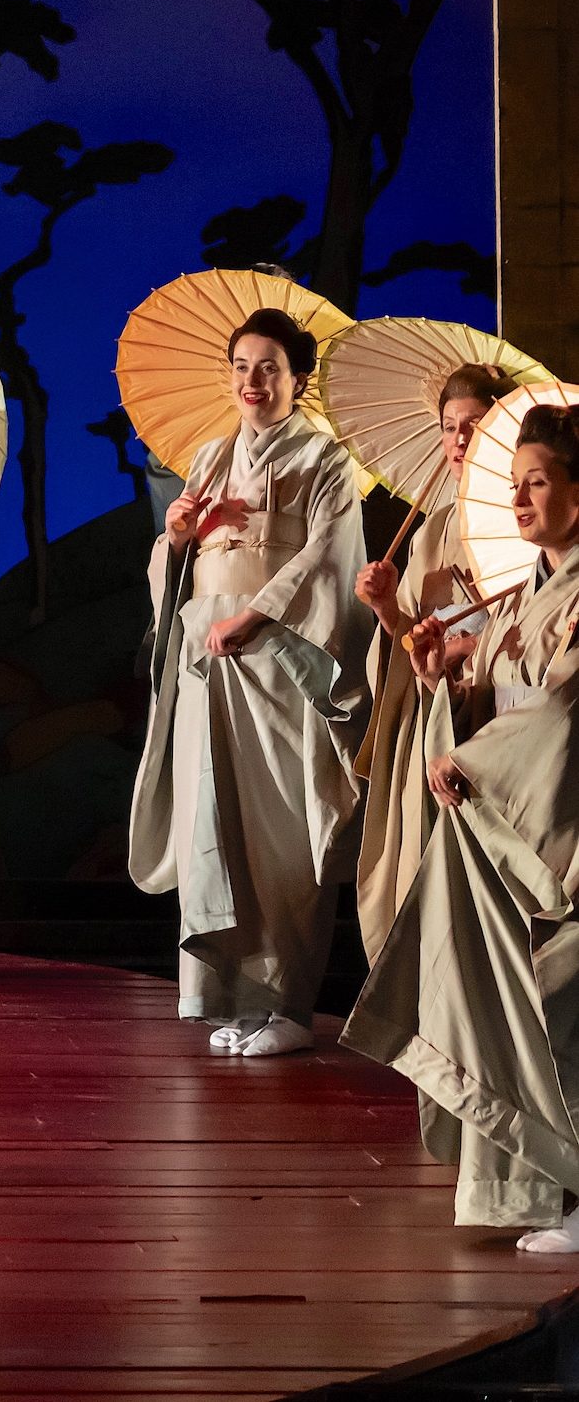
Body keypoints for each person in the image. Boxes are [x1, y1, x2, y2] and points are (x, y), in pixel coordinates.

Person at [341, 403, 579, 1248]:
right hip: (509, 816)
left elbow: (562, 708)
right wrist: (440, 671)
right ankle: (534, 1191)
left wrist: (474, 760)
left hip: (558, 818)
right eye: (513, 485)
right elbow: (485, 691)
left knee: (555, 999)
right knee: (505, 997)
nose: (519, 500)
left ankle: (570, 1194)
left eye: (537, 483)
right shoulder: (524, 593)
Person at [129, 308, 369, 1056]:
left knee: (279, 831)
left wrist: (257, 616)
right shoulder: (208, 458)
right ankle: (230, 997)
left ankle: (287, 1005)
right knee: (214, 824)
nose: (252, 381)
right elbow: (174, 571)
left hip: (279, 660)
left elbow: (330, 558)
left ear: (299, 379)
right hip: (208, 659)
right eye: (240, 367)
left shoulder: (325, 459)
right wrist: (177, 538)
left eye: (269, 367)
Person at [353, 363, 517, 962]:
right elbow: (407, 641)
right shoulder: (434, 528)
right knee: (426, 866)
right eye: (449, 427)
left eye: (475, 425)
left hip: (498, 711)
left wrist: (470, 646)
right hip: (436, 707)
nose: (459, 440)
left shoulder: (521, 520)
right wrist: (386, 608)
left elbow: (534, 624)